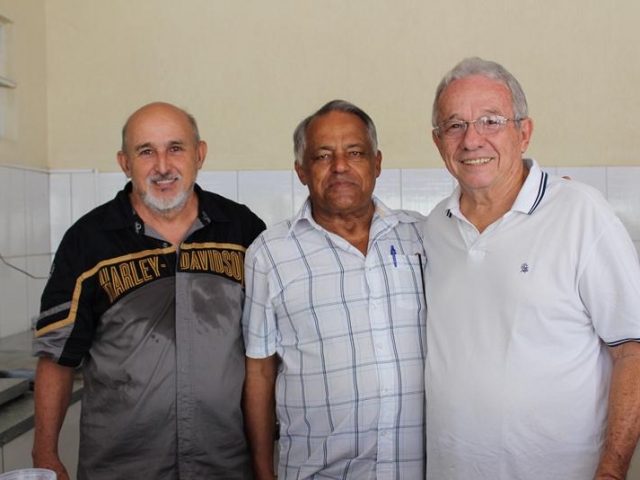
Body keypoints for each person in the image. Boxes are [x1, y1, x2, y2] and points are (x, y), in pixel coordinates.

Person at [424, 57, 640, 480]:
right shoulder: (435, 227)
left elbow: (633, 350)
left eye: (490, 121)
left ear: (523, 133)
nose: (472, 140)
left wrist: (612, 471)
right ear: (438, 141)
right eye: (455, 125)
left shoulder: (581, 213)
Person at [32, 102, 265, 480]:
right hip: (122, 469)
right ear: (125, 163)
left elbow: (264, 356)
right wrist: (45, 455)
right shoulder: (87, 241)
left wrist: (265, 464)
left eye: (175, 148)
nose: (162, 166)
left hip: (225, 466)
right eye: (146, 152)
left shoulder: (243, 230)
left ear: (199, 154)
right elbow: (57, 359)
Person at [242, 100, 427, 479]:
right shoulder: (270, 254)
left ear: (377, 163)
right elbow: (259, 371)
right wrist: (263, 472)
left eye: (355, 153)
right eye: (323, 156)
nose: (340, 166)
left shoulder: (421, 237)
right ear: (301, 171)